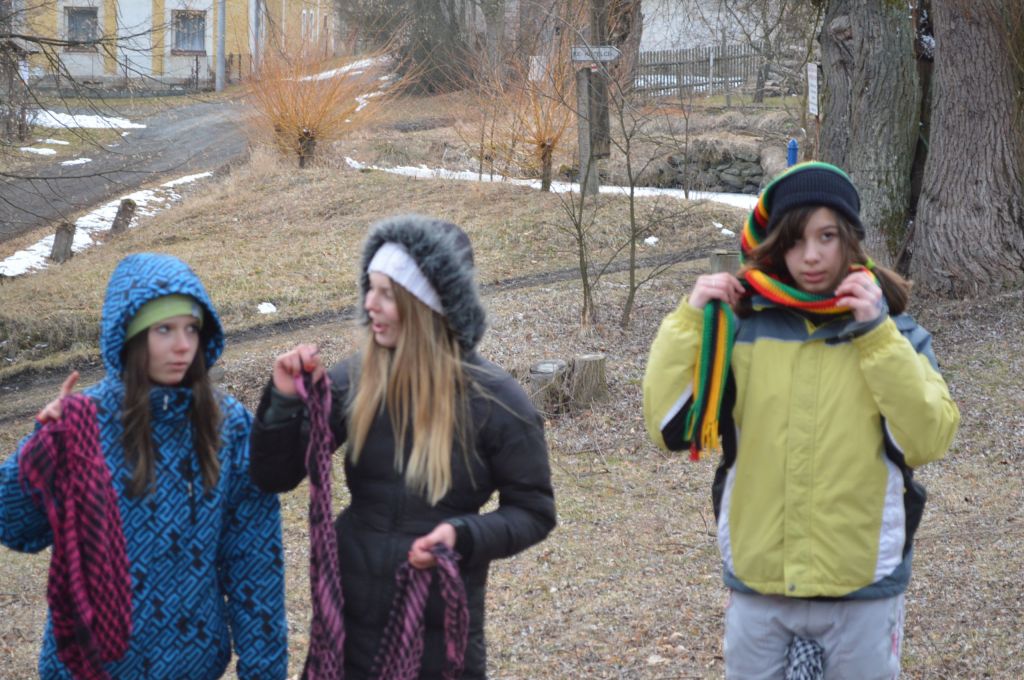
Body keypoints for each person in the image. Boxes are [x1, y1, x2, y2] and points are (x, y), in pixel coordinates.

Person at [642, 162, 960, 679]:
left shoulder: (897, 335)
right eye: (795, 240)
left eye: (826, 236)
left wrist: (876, 336)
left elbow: (928, 438)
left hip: (862, 584)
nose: (811, 255)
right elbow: (667, 427)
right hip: (760, 580)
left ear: (850, 240)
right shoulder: (740, 334)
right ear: (778, 248)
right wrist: (689, 320)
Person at [249, 214, 556, 680]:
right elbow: (275, 475)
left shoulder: (496, 402)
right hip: (345, 631)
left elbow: (534, 510)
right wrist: (283, 402)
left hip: (437, 639)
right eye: (369, 289)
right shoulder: (357, 379)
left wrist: (463, 535)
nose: (368, 304)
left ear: (427, 304)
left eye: (386, 293)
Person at [0, 253, 288, 679]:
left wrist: (265, 672)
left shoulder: (229, 427)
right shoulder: (82, 423)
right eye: (164, 329)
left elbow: (256, 564)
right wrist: (40, 448)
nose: (183, 345)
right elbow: (15, 527)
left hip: (190, 668)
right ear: (130, 337)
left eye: (191, 328)